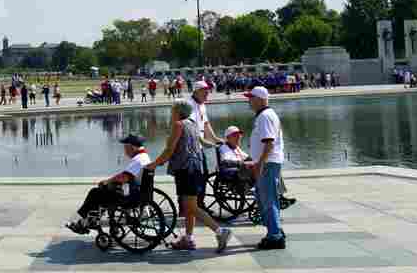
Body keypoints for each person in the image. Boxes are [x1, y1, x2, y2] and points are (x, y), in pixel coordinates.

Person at [147, 99, 232, 252]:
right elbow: (202, 142)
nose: (171, 113)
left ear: (178, 112)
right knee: (189, 207)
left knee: (191, 207)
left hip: (186, 170)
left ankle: (220, 231)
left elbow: (169, 150)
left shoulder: (179, 125)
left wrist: (154, 164)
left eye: (172, 110)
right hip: (196, 169)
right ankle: (189, 238)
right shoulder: (192, 124)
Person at [66, 134, 152, 234]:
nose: (124, 150)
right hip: (137, 192)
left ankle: (81, 221)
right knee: (104, 191)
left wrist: (108, 181)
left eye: (125, 147)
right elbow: (126, 176)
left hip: (130, 196)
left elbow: (124, 177)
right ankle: (93, 219)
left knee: (95, 192)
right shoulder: (144, 156)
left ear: (132, 147)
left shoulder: (138, 160)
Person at [244, 86, 286, 250]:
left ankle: (275, 236)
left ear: (261, 99)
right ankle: (274, 232)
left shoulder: (265, 117)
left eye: (251, 98)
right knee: (266, 200)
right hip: (267, 163)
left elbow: (269, 143)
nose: (249, 101)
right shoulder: (265, 115)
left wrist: (259, 164)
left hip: (267, 164)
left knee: (268, 200)